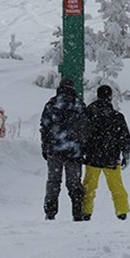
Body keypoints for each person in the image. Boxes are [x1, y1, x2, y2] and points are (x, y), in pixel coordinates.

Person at [41, 78, 90, 221]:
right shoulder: (79, 105)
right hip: (74, 151)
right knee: (74, 183)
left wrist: (45, 146)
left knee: (53, 181)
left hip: (54, 149)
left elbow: (45, 126)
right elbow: (86, 129)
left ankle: (50, 212)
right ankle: (77, 212)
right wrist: (83, 147)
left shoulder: (52, 104)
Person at [80, 84, 130, 221]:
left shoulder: (89, 114)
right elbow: (125, 137)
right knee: (117, 186)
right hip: (111, 158)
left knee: (89, 187)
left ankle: (86, 211)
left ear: (97, 95)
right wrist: (126, 155)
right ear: (110, 97)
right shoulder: (117, 116)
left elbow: (82, 134)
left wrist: (82, 151)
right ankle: (122, 211)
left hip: (93, 158)